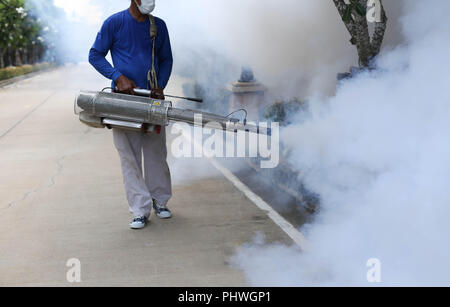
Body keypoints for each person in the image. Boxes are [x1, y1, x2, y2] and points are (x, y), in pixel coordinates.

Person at [88, 0, 173, 229]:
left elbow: (166, 59)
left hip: (152, 101)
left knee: (156, 152)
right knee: (129, 156)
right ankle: (139, 209)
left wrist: (160, 85)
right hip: (124, 101)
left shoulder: (159, 26)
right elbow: (95, 55)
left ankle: (161, 201)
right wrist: (117, 76)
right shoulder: (114, 23)